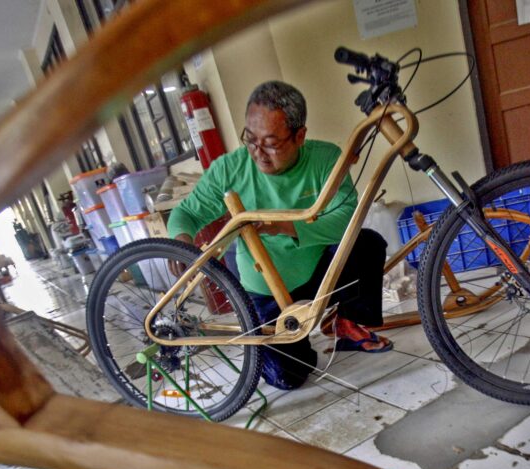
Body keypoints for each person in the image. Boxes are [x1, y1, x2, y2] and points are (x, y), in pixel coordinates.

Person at [167, 80, 392, 390]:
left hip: (316, 274)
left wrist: (284, 225)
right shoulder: (230, 168)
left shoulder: (325, 158)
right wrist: (182, 241)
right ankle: (266, 344)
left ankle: (346, 324)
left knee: (367, 244)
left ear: (300, 136)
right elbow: (186, 214)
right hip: (265, 290)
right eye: (251, 138)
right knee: (291, 376)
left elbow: (348, 217)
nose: (258, 153)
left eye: (271, 142)